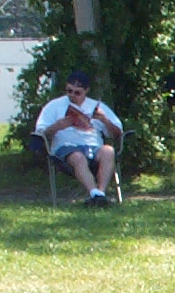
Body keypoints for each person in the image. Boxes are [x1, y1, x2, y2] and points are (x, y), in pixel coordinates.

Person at [34, 71, 122, 207]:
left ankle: (100, 194)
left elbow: (118, 133)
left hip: (94, 147)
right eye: (69, 91)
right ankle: (95, 194)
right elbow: (41, 132)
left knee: (108, 151)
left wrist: (104, 120)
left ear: (86, 91)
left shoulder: (97, 106)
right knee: (78, 157)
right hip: (66, 149)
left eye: (77, 92)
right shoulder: (54, 106)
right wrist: (57, 126)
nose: (72, 95)